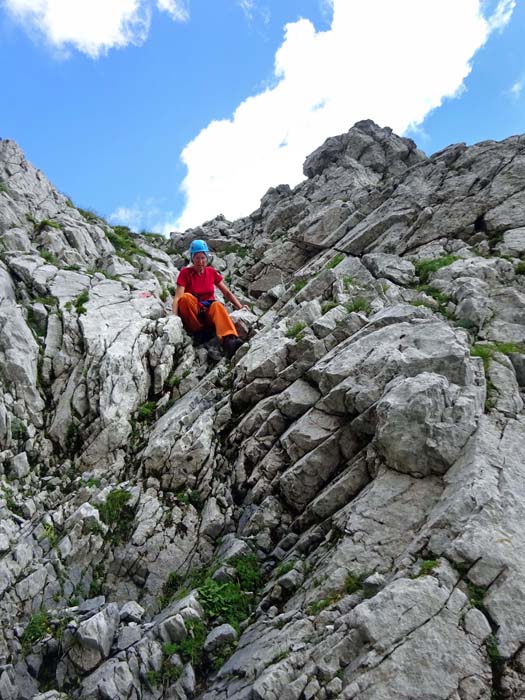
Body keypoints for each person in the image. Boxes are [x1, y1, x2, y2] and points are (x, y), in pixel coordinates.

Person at [172, 239, 247, 358]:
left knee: (217, 305)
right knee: (185, 298)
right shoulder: (185, 273)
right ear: (192, 258)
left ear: (207, 258)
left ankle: (229, 340)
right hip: (194, 315)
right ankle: (197, 333)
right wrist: (174, 319)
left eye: (203, 258)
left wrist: (240, 307)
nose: (200, 262)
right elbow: (177, 298)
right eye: (197, 258)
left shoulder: (211, 272)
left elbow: (226, 292)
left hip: (208, 313)